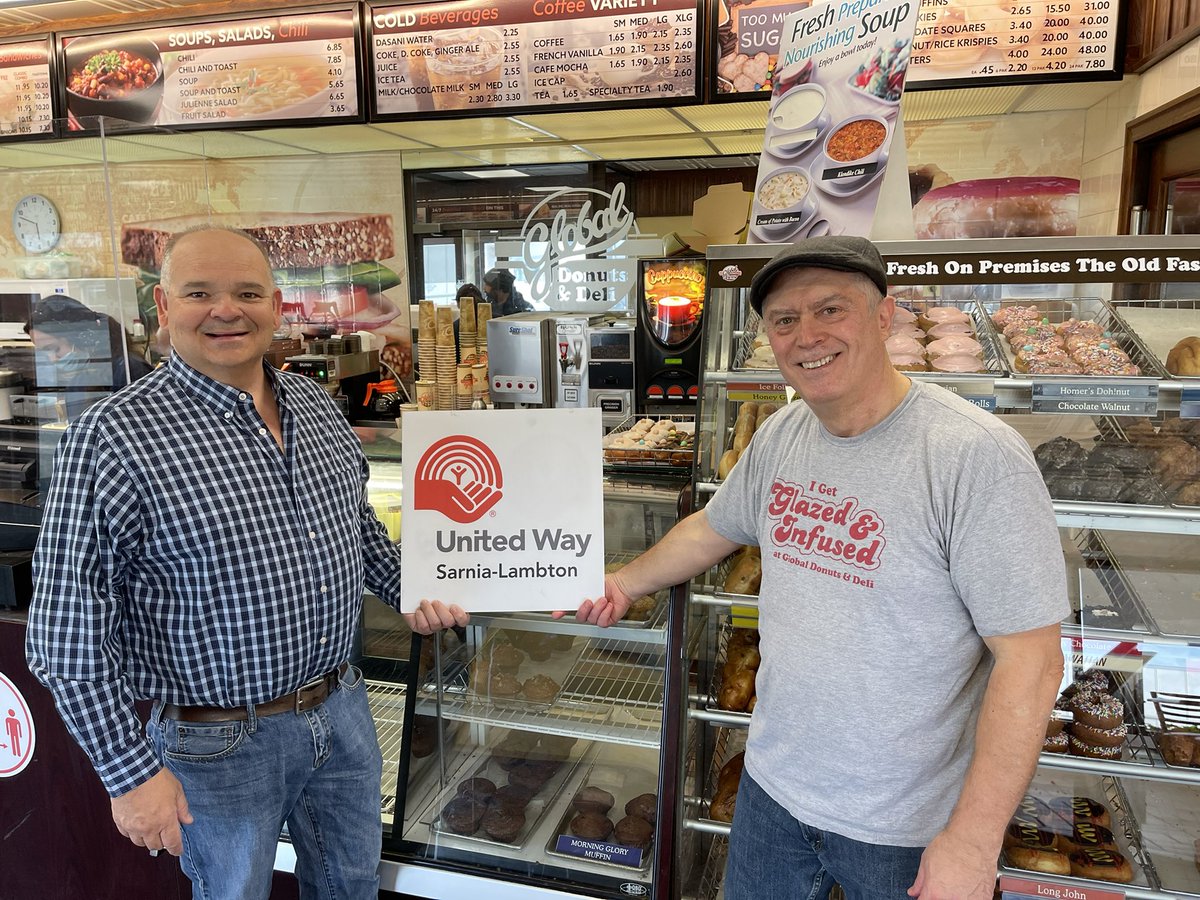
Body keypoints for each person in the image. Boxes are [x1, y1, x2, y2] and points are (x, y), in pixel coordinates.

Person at [562, 236, 1068, 900]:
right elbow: (712, 529)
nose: (807, 336)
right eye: (784, 319)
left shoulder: (974, 456)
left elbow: (1032, 662)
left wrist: (973, 842)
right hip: (773, 794)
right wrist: (624, 582)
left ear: (883, 316)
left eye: (831, 310)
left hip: (903, 827)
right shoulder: (784, 433)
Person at [25, 225, 464, 900]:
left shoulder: (315, 406)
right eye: (199, 293)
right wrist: (130, 775)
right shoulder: (113, 437)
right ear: (164, 308)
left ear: (277, 306)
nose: (226, 310)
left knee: (351, 888)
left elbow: (356, 530)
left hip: (343, 712)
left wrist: (413, 585)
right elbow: (66, 636)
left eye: (248, 293)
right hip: (215, 745)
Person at [25, 294, 153, 417]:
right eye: (45, 352)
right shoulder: (80, 379)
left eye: (54, 348)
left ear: (79, 338)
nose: (52, 359)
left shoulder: (130, 370)